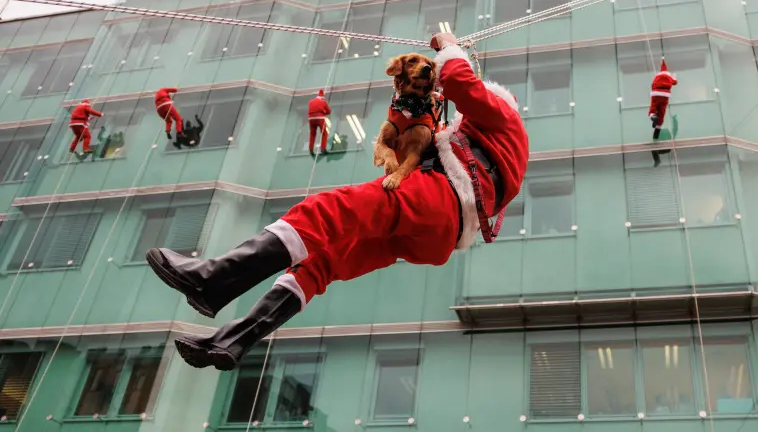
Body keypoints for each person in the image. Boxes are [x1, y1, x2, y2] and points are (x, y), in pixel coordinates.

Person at [146, 32, 529, 371]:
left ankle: (214, 278)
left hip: (437, 199)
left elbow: (462, 83)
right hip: (438, 235)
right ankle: (233, 339)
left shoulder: (503, 116)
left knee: (329, 211)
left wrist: (449, 48)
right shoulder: (497, 149)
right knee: (323, 262)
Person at [648, 58, 677, 132]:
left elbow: (652, 85)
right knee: (662, 110)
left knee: (653, 106)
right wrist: (674, 77)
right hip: (665, 95)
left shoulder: (657, 76)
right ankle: (657, 130)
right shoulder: (669, 77)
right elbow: (675, 82)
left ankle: (652, 115)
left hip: (656, 93)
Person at [308, 89, 331, 156]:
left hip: (310, 119)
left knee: (312, 134)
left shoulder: (311, 102)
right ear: (322, 97)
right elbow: (329, 111)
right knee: (324, 133)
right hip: (320, 118)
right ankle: (323, 148)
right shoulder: (323, 102)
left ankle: (311, 149)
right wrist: (323, 111)